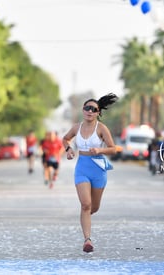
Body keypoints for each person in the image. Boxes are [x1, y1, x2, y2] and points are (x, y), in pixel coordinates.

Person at [62, 93, 118, 253]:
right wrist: (68, 149)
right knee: (85, 204)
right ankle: (87, 240)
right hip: (82, 168)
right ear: (83, 109)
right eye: (87, 108)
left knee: (94, 207)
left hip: (98, 169)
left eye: (94, 109)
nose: (90, 111)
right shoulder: (76, 127)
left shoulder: (101, 128)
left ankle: (85, 216)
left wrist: (100, 149)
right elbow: (65, 139)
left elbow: (114, 149)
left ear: (98, 113)